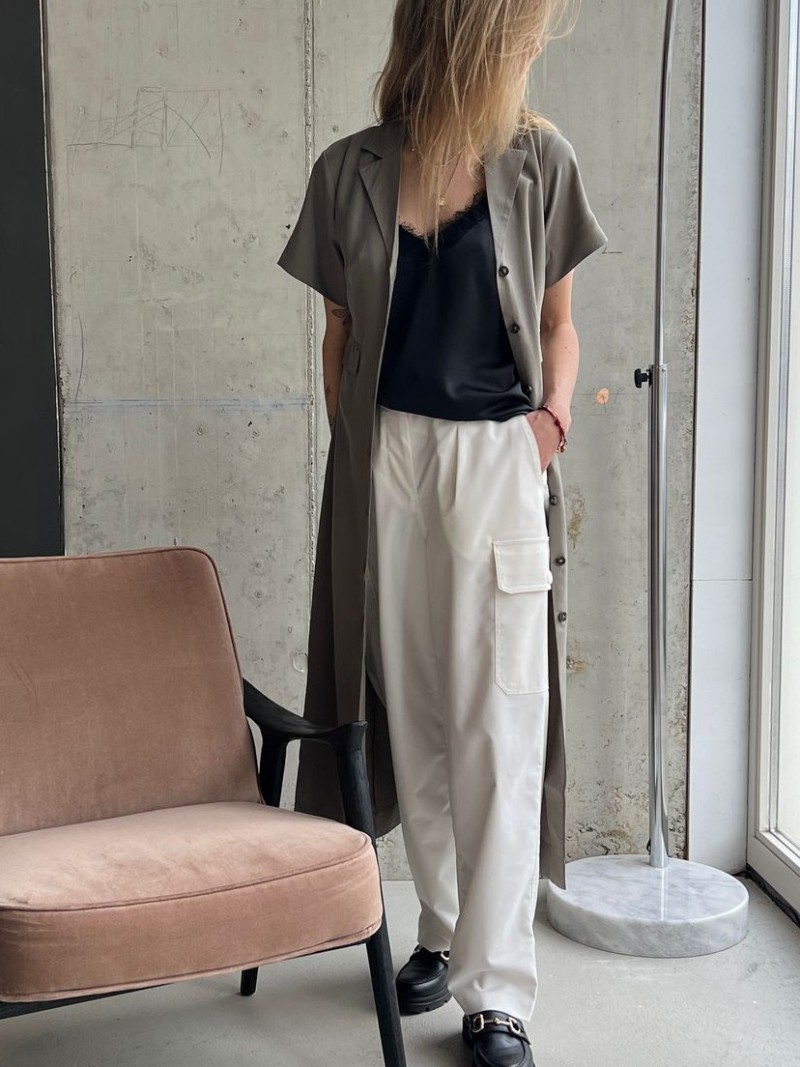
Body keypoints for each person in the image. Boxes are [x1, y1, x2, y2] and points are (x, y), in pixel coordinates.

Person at [277, 2, 608, 1065]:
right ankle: (442, 927)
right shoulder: (350, 169)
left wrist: (548, 426)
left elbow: (557, 323)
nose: (533, 47)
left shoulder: (539, 162)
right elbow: (336, 332)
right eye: (521, 29)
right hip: (388, 461)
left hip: (495, 461)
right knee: (411, 713)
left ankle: (496, 990)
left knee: (497, 720)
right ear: (466, 36)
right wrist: (355, 448)